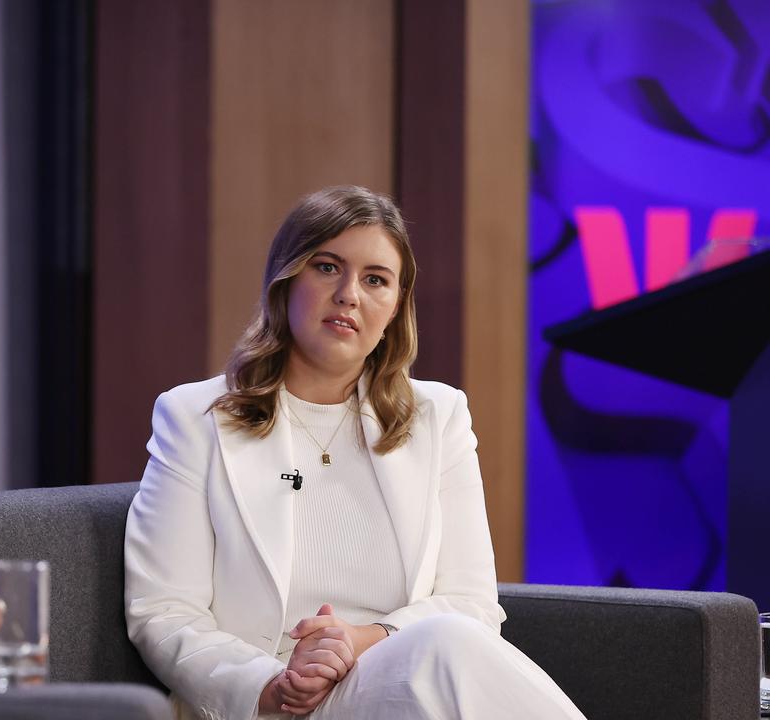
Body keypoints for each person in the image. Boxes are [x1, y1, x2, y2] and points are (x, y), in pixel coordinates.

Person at [124, 186, 585, 719]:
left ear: (395, 307)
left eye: (375, 280)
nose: (349, 295)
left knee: (447, 644)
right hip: (274, 702)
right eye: (327, 268)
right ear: (286, 278)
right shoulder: (196, 417)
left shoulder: (438, 417)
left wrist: (360, 639)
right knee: (446, 649)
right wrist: (272, 686)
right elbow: (162, 611)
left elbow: (473, 604)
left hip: (403, 681)